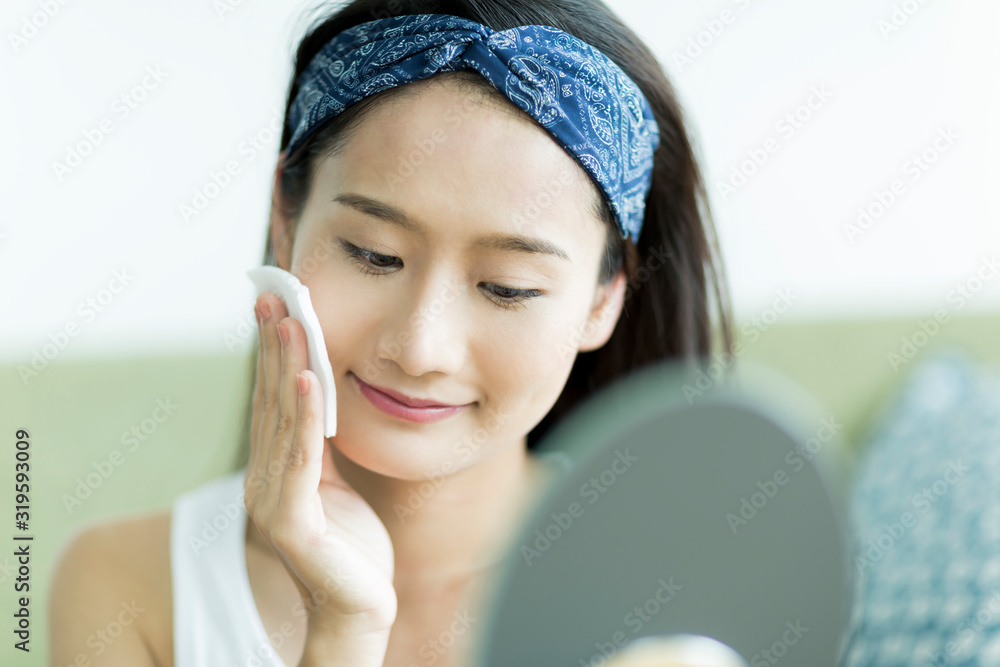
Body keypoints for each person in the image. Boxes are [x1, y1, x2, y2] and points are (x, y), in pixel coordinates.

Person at [47, 1, 732, 665]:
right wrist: (342, 632)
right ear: (286, 219)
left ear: (604, 299)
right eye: (373, 254)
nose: (420, 347)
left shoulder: (683, 600)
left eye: (507, 287)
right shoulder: (130, 586)